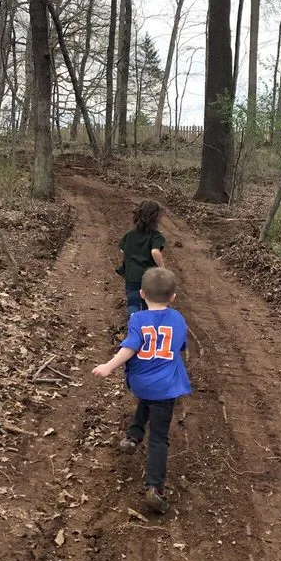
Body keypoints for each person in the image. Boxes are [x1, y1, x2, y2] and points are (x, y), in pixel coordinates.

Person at [93, 267, 191, 514]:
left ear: (142, 294)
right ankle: (155, 487)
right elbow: (179, 346)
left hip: (141, 383)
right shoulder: (178, 318)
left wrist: (108, 366)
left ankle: (133, 435)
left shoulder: (137, 319)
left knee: (147, 398)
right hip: (166, 386)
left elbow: (129, 348)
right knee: (159, 438)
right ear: (173, 297)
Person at [116, 200, 166, 319]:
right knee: (147, 302)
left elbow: (123, 250)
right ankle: (147, 326)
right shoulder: (156, 236)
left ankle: (134, 318)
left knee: (133, 301)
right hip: (148, 276)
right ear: (155, 219)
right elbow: (155, 251)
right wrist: (162, 269)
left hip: (131, 275)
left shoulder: (130, 235)